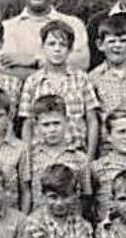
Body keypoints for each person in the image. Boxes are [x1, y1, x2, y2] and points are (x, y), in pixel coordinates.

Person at [1, 0, 90, 75]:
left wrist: (34, 61)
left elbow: (82, 63)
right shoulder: (6, 29)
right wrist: (58, 65)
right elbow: (8, 71)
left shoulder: (74, 25)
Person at [18, 20, 99, 156]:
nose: (57, 49)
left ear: (70, 49)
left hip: (76, 152)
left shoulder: (82, 79)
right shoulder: (33, 82)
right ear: (42, 47)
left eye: (63, 45)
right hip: (41, 155)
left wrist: (89, 158)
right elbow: (27, 124)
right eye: (51, 44)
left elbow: (92, 120)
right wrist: (28, 159)